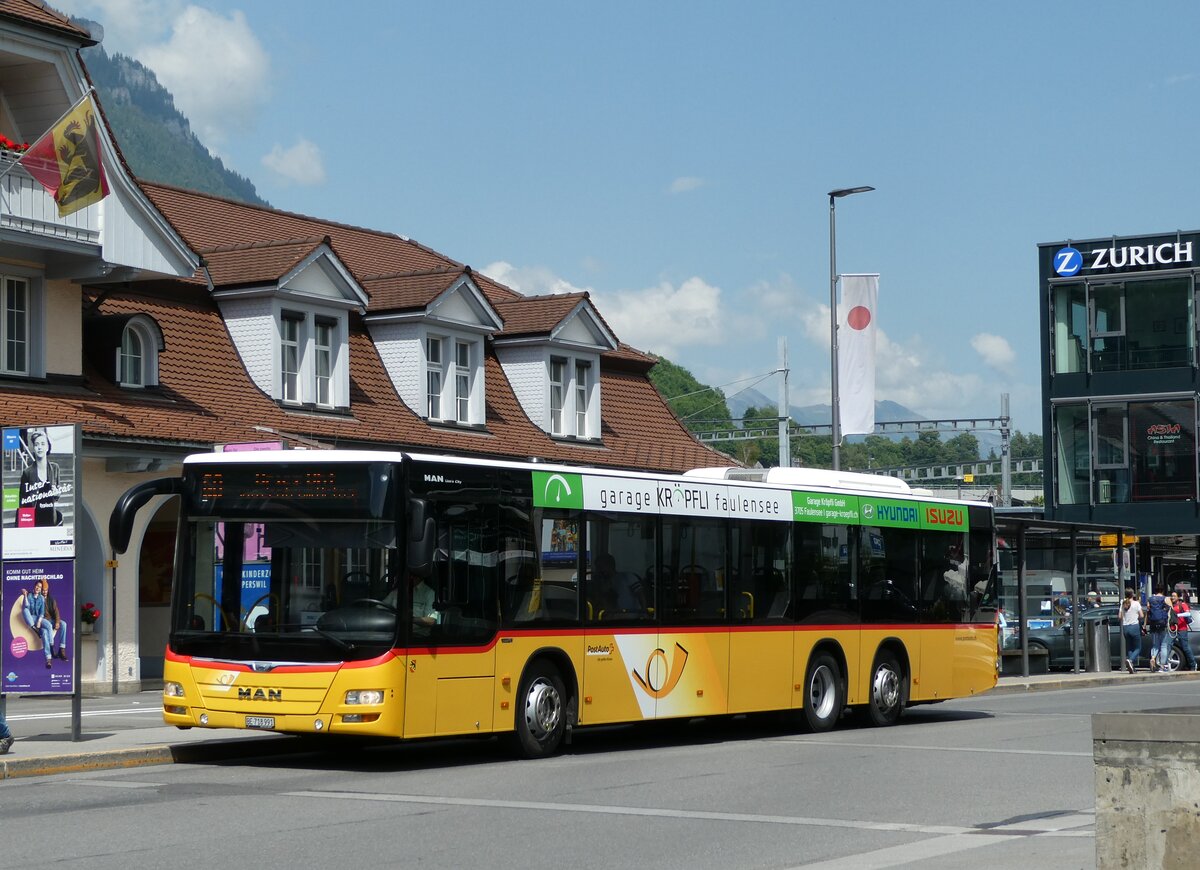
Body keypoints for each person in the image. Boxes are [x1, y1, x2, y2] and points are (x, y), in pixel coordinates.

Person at [19, 429, 63, 527]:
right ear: (34, 448)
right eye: (36, 444)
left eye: (43, 444)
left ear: (47, 447)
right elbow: (23, 502)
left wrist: (57, 493)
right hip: (35, 520)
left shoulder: (55, 468)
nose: (40, 447)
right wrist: (25, 525)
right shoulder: (27, 473)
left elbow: (57, 495)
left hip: (51, 518)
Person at [21, 580, 55, 668]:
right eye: (37, 586)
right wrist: (25, 596)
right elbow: (27, 606)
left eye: (40, 587)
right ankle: (34, 628)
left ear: (41, 589)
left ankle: (49, 655)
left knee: (47, 628)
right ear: (34, 586)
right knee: (25, 610)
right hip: (31, 618)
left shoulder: (41, 598)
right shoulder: (29, 595)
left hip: (38, 618)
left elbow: (42, 613)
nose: (38, 588)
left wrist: (39, 621)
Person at [1146, 585, 1173, 673]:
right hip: (1162, 624)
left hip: (1153, 624)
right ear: (1163, 590)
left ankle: (1153, 658)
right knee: (1164, 645)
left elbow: (1148, 611)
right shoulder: (1166, 599)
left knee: (1155, 645)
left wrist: (1145, 625)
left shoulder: (1150, 599)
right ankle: (1163, 666)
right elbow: (1172, 610)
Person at [41, 578, 68, 661]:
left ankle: (62, 649)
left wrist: (57, 622)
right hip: (42, 621)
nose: (44, 592)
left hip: (51, 620)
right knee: (46, 630)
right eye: (43, 590)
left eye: (46, 590)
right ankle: (50, 653)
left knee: (63, 624)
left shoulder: (51, 599)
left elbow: (56, 611)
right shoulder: (38, 599)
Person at [1170, 591, 1197, 671]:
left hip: (1182, 629)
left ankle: (1193, 664)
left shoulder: (1182, 604)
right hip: (1172, 629)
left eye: (1174, 596)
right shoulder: (1171, 605)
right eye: (1172, 596)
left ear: (1178, 597)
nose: (1172, 597)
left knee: (1185, 647)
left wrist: (1177, 615)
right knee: (1168, 646)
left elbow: (1188, 614)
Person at [1120, 587, 1144, 673]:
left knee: (1130, 647)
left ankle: (1131, 667)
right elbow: (1141, 615)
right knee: (1138, 648)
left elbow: (1119, 616)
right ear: (1132, 594)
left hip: (1125, 627)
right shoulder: (1136, 603)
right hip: (1134, 626)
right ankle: (1130, 660)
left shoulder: (1122, 603)